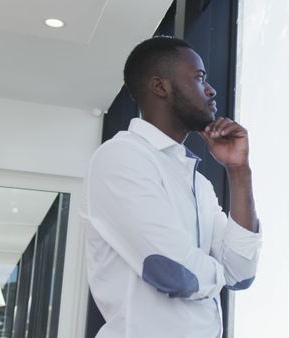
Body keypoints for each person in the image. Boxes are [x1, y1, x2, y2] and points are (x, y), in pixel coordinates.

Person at [81, 36, 261, 338]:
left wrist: (239, 171)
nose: (211, 89)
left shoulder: (197, 182)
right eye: (199, 77)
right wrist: (219, 273)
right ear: (160, 87)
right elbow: (176, 272)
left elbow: (241, 274)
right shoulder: (121, 158)